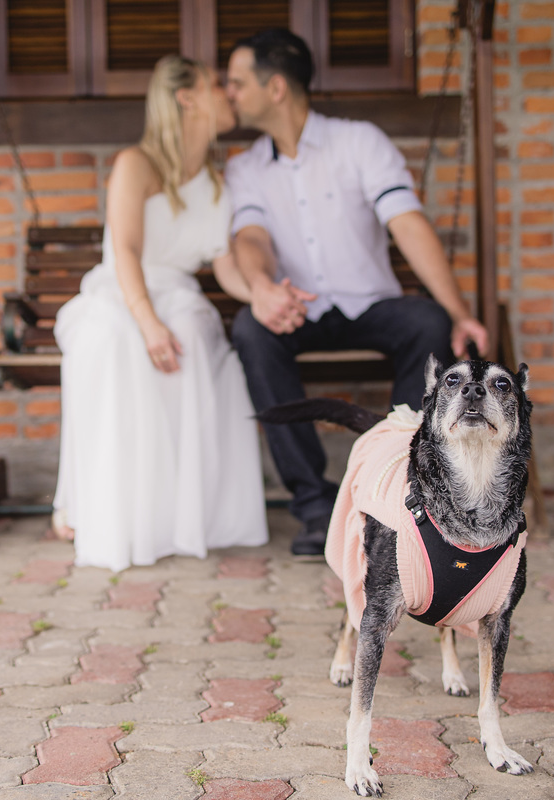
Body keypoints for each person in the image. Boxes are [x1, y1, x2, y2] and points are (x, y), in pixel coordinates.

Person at [224, 29, 489, 558]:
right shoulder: (244, 167)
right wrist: (262, 290)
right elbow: (250, 238)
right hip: (298, 309)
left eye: (236, 82)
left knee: (427, 323)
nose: (229, 93)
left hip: (370, 304)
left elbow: (407, 224)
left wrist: (460, 312)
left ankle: (407, 491)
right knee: (250, 331)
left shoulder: (359, 141)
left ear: (275, 88)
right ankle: (315, 507)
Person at [51, 55, 268, 573]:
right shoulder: (137, 164)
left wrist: (258, 294)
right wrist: (147, 320)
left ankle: (176, 515)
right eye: (217, 85)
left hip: (179, 293)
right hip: (124, 290)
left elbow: (225, 267)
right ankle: (91, 506)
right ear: (187, 98)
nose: (228, 94)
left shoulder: (216, 183)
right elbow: (124, 250)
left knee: (191, 333)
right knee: (110, 338)